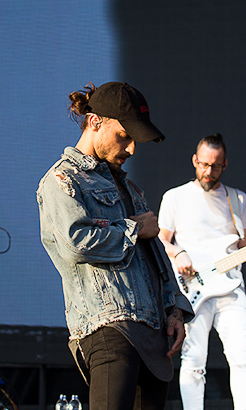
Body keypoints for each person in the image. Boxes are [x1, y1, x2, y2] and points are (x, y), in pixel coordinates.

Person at [37, 82, 194, 410]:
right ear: (95, 122)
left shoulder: (129, 187)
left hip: (154, 336)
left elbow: (155, 257)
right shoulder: (63, 180)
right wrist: (135, 228)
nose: (132, 148)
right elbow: (76, 243)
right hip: (109, 329)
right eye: (125, 135)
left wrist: (174, 309)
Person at [157, 133, 246, 410]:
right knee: (193, 361)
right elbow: (159, 240)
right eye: (204, 164)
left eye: (215, 166)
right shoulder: (175, 197)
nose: (208, 171)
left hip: (231, 289)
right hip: (191, 288)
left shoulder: (237, 199)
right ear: (195, 160)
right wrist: (178, 253)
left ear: (225, 164)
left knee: (242, 358)